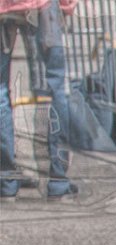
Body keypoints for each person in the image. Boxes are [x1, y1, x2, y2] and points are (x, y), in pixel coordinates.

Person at [0, 0, 77, 199]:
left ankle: (7, 181)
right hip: (42, 7)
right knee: (56, 86)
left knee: (0, 92)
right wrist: (66, 5)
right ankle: (58, 180)